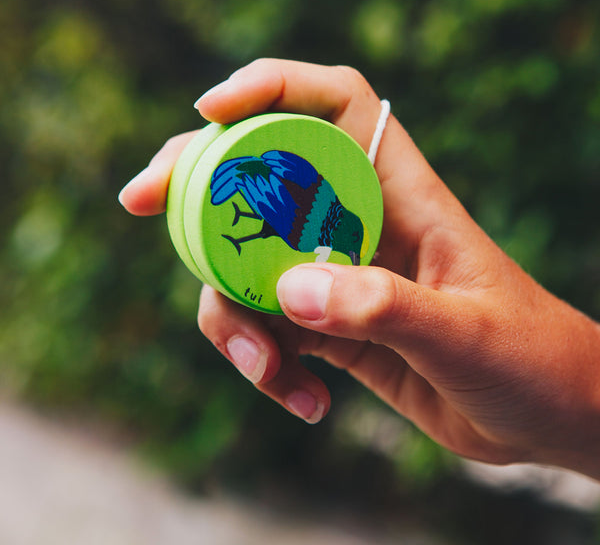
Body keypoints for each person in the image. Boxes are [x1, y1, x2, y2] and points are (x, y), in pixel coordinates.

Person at [119, 58, 600, 481]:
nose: (351, 262)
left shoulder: (324, 219)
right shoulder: (318, 219)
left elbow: (284, 213)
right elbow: (284, 210)